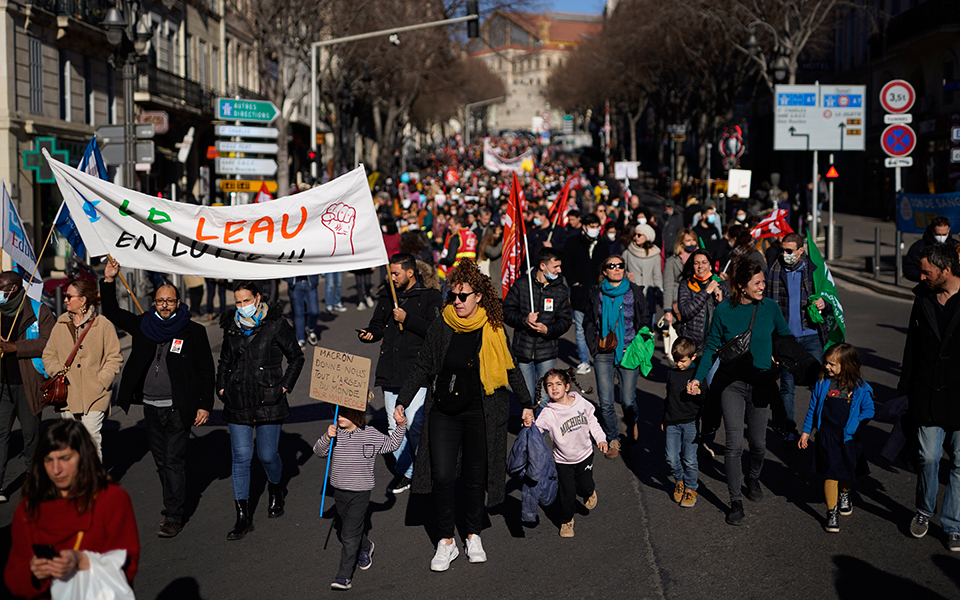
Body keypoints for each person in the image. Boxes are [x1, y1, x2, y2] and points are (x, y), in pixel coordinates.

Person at [395, 260, 533, 572]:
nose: (457, 302)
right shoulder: (442, 325)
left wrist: (526, 402)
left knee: (474, 478)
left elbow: (510, 367)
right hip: (443, 410)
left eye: (463, 296)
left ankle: (472, 534)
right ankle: (446, 542)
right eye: (453, 297)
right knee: (442, 476)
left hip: (482, 411)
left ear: (479, 297)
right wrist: (403, 400)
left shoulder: (493, 328)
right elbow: (423, 365)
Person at [101, 258, 215, 537]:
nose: (165, 305)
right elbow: (113, 311)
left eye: (170, 301)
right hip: (151, 406)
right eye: (160, 301)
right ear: (154, 303)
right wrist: (109, 280)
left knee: (174, 459)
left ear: (179, 303)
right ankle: (174, 497)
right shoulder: (143, 325)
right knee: (162, 460)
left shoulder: (193, 331)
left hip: (179, 407)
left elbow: (206, 371)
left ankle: (172, 515)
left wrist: (204, 406)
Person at [687, 257, 792, 526]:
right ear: (742, 286)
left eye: (763, 282)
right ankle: (735, 502)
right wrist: (699, 378)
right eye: (757, 283)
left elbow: (784, 336)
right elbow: (711, 348)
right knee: (733, 444)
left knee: (758, 443)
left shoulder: (769, 308)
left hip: (761, 382)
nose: (762, 287)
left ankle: (753, 477)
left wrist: (782, 356)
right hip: (731, 383)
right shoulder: (723, 310)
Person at [4, 421, 139, 599]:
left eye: (65, 458)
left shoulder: (112, 500)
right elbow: (13, 577)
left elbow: (127, 564)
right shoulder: (28, 508)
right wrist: (34, 572)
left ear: (83, 457)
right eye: (48, 460)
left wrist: (82, 561)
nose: (56, 469)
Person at [217, 281, 305, 540]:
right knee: (241, 458)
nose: (242, 307)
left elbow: (296, 357)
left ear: (257, 298)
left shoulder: (276, 323)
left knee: (267, 456)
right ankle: (242, 517)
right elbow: (224, 360)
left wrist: (284, 387)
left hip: (270, 399)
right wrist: (221, 387)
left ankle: (276, 489)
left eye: (246, 301)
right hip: (238, 400)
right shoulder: (231, 327)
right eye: (238, 302)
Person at [358, 253, 442, 494]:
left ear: (410, 272)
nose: (391, 278)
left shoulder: (430, 297)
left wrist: (408, 319)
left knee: (416, 426)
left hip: (416, 372)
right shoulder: (387, 295)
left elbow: (435, 331)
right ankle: (407, 473)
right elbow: (377, 325)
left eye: (396, 273)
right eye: (390, 273)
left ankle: (428, 472)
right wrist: (369, 334)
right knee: (394, 427)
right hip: (391, 371)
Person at [900, 244, 960, 551]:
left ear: (945, 270)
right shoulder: (922, 298)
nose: (921, 276)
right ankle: (924, 510)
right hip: (927, 394)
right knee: (929, 457)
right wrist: (904, 391)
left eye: (927, 271)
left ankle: (953, 525)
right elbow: (911, 347)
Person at [314, 405, 407, 590]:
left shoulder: (370, 433)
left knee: (348, 535)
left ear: (358, 414)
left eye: (345, 412)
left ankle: (343, 576)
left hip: (360, 493)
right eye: (337, 412)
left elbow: (391, 444)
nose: (339, 416)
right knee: (349, 528)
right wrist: (326, 437)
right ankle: (365, 546)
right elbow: (319, 451)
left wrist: (400, 425)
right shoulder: (335, 433)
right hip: (339, 492)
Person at [42, 280, 122, 460]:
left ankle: (94, 485)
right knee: (73, 443)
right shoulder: (61, 323)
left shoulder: (103, 324)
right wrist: (57, 371)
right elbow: (48, 354)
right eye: (65, 296)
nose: (65, 300)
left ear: (83, 300)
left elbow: (114, 357)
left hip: (95, 394)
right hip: (68, 394)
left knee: (91, 439)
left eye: (69, 296)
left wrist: (101, 381)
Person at [799, 343, 875, 533]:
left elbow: (869, 410)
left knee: (847, 471)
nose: (827, 367)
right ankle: (831, 512)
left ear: (847, 364)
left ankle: (845, 493)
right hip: (826, 436)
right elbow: (812, 408)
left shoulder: (860, 388)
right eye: (826, 363)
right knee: (831, 473)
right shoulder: (822, 383)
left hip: (847, 438)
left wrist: (856, 422)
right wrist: (806, 431)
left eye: (832, 364)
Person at [583, 254, 650, 458]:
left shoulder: (634, 291)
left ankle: (631, 424)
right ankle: (613, 438)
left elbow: (645, 317)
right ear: (605, 271)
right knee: (605, 401)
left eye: (620, 265)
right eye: (612, 266)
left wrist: (638, 344)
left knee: (628, 400)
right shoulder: (596, 293)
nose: (617, 268)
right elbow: (588, 321)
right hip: (604, 351)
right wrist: (594, 348)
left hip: (629, 350)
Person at [765, 232, 829, 438]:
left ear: (801, 251)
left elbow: (830, 297)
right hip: (786, 339)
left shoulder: (815, 271)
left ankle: (821, 428)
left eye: (789, 251)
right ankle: (789, 430)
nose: (785, 254)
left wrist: (824, 304)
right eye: (782, 250)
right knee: (787, 387)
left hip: (811, 336)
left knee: (819, 385)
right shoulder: (773, 271)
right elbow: (766, 306)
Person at [530, 368, 606, 538]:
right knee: (567, 493)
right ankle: (566, 521)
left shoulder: (581, 403)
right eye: (549, 385)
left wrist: (601, 438)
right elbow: (535, 432)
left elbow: (593, 421)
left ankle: (588, 492)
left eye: (558, 384)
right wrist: (527, 425)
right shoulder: (548, 413)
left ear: (566, 386)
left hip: (585, 455)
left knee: (584, 485)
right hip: (563, 461)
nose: (554, 388)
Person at [0, 272, 54, 504]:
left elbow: (47, 342)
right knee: (1, 436)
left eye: (1, 288)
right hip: (2, 386)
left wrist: (15, 347)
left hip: (29, 384)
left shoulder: (38, 310)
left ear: (13, 289)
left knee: (31, 435)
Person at [502, 248, 573, 410]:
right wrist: (524, 319)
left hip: (546, 351)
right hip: (523, 351)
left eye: (559, 266)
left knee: (545, 398)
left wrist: (548, 329)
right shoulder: (521, 284)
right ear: (543, 266)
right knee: (527, 397)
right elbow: (506, 312)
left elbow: (565, 320)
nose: (559, 270)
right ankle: (528, 430)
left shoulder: (560, 290)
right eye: (555, 266)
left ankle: (539, 433)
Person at [562, 213, 610, 375]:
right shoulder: (573, 242)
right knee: (581, 329)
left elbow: (608, 265)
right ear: (584, 227)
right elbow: (566, 264)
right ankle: (584, 360)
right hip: (579, 292)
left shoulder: (603, 244)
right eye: (592, 227)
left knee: (600, 327)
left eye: (597, 227)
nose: (595, 230)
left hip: (599, 292)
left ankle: (599, 358)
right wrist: (574, 282)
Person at [663, 337, 701, 508]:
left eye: (683, 361)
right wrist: (664, 418)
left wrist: (698, 391)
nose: (679, 364)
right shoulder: (672, 374)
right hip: (672, 422)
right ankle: (679, 480)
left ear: (693, 357)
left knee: (690, 459)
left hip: (691, 423)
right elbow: (668, 398)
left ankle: (691, 488)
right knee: (671, 457)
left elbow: (706, 398)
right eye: (676, 360)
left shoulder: (697, 375)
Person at [677, 249, 729, 354]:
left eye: (704, 262)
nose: (700, 266)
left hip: (715, 343)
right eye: (696, 263)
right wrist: (706, 292)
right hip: (691, 344)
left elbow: (729, 316)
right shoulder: (686, 285)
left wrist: (720, 301)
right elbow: (685, 311)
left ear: (710, 265)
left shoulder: (721, 285)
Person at [662, 229, 698, 329]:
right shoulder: (672, 261)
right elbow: (668, 285)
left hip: (696, 301)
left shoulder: (700, 259)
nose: (692, 243)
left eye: (694, 240)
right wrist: (668, 310)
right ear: (681, 243)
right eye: (688, 240)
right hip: (677, 303)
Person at [625, 224, 663, 318]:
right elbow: (621, 270)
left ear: (647, 236)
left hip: (649, 295)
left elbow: (657, 275)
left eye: (639, 235)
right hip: (632, 294)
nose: (635, 237)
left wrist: (659, 291)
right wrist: (627, 276)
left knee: (648, 324)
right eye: (635, 234)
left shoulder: (655, 255)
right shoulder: (628, 252)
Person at [903, 217, 958, 282]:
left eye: (944, 234)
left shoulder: (955, 246)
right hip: (928, 286)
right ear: (932, 231)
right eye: (938, 234)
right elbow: (908, 267)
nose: (941, 237)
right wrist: (919, 275)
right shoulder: (919, 246)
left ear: (949, 229)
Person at [284, 275, 320, 348]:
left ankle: (310, 329)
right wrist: (289, 279)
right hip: (295, 284)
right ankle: (300, 337)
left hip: (310, 283)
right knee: (298, 313)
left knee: (314, 311)